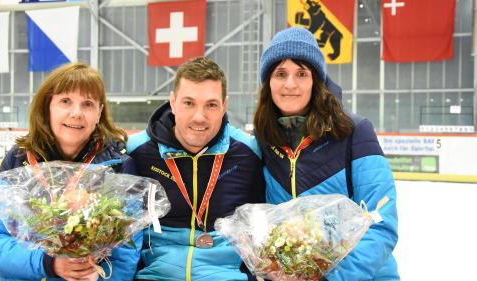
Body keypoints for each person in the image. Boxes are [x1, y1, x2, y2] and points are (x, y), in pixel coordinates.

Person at [253, 27, 399, 280]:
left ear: (316, 81)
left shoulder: (354, 132)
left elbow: (381, 223)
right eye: (280, 73)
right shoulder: (263, 141)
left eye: (301, 73)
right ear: (268, 83)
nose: (290, 84)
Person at [0, 62, 140, 281]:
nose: (76, 113)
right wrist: (48, 264)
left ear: (99, 112)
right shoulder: (19, 159)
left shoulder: (119, 167)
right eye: (65, 101)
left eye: (88, 104)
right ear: (48, 106)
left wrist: (94, 277)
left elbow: (125, 256)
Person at [127, 56, 265, 281]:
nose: (199, 117)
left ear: (224, 106)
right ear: (172, 102)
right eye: (188, 103)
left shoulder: (248, 152)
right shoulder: (137, 151)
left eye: (211, 105)